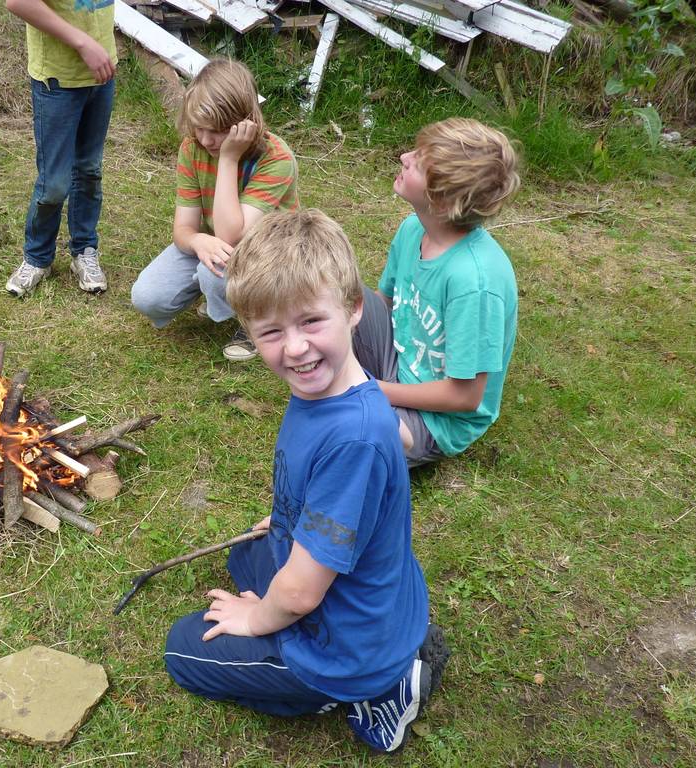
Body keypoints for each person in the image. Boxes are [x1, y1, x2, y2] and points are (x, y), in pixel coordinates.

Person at [163, 209, 449, 754]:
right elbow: (401, 444)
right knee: (245, 560)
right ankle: (397, 645)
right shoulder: (347, 388)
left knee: (183, 651)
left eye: (311, 323)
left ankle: (377, 690)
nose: (294, 348)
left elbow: (296, 594)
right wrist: (300, 520)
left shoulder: (352, 439)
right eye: (272, 332)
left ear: (355, 309)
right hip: (373, 594)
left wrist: (256, 618)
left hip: (345, 647)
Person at [354, 117, 521, 466]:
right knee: (331, 294)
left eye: (418, 162)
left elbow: (465, 397)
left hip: (436, 420)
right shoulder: (413, 227)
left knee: (357, 435)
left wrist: (376, 391)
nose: (403, 156)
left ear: (443, 202)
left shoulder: (474, 282)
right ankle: (354, 399)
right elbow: (383, 304)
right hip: (398, 364)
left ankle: (363, 411)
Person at [130, 58, 299, 362]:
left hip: (269, 255)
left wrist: (228, 158)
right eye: (199, 128)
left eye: (219, 131)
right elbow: (183, 229)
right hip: (218, 246)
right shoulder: (192, 148)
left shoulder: (277, 159)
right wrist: (197, 241)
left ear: (246, 123)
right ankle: (222, 297)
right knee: (147, 297)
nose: (207, 140)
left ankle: (261, 322)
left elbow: (230, 234)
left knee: (215, 275)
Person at [4, 0, 116, 298]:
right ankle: (37, 258)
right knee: (54, 183)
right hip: (57, 81)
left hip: (101, 75)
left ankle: (84, 251)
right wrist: (82, 43)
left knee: (89, 169)